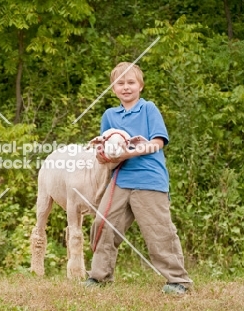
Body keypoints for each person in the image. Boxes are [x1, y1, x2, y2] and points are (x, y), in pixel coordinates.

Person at [83, 62, 193, 294]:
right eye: (120, 83)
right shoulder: (110, 116)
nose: (126, 87)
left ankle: (177, 281)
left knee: (158, 230)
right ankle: (99, 277)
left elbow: (157, 143)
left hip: (149, 180)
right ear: (113, 88)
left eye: (130, 82)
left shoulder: (148, 109)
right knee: (103, 225)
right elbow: (104, 148)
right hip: (120, 180)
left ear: (140, 86)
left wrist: (129, 152)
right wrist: (104, 157)